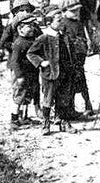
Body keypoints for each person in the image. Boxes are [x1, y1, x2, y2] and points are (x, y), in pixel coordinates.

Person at [27, 7, 78, 135]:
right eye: (59, 21)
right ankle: (46, 123)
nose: (62, 23)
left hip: (65, 73)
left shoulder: (64, 37)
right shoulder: (44, 38)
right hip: (50, 74)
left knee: (64, 98)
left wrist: (73, 66)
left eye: (62, 20)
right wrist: (41, 62)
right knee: (48, 99)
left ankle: (63, 121)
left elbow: (70, 53)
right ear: (50, 23)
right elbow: (31, 53)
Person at [58, 0, 94, 118]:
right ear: (63, 12)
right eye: (72, 11)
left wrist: (86, 43)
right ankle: (71, 108)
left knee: (83, 83)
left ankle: (88, 105)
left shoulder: (79, 24)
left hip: (79, 57)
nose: (76, 13)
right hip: (69, 58)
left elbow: (84, 37)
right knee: (70, 85)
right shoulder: (62, 24)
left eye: (77, 10)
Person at [6, 14, 41, 128]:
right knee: (19, 96)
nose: (32, 28)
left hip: (30, 73)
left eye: (32, 25)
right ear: (20, 29)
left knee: (27, 95)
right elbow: (15, 61)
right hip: (21, 74)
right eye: (28, 26)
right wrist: (19, 76)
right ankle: (14, 119)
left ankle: (24, 117)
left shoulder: (30, 40)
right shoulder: (19, 43)